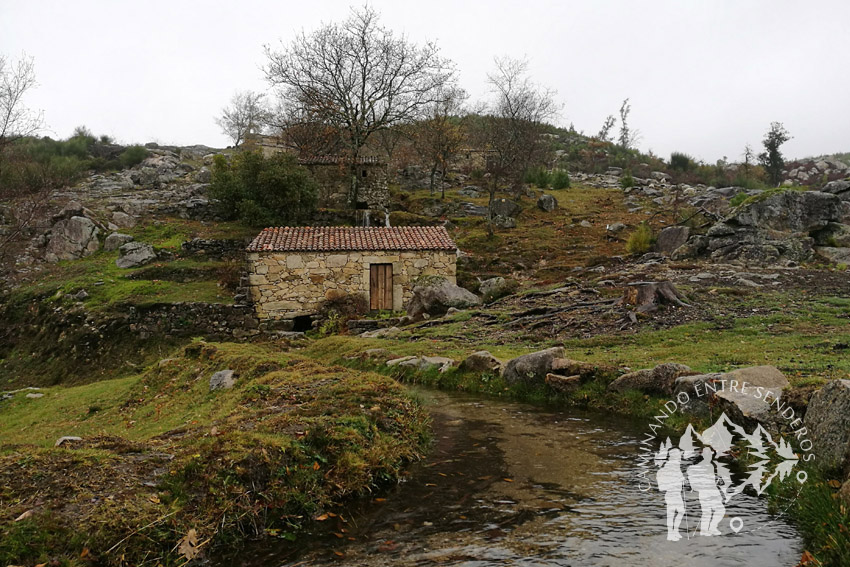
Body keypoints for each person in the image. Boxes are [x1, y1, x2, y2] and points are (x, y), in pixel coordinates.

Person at [687, 447, 726, 536]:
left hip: (713, 490)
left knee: (718, 510)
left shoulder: (711, 465)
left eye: (710, 454)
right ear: (703, 455)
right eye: (707, 454)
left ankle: (710, 528)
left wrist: (718, 480)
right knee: (708, 512)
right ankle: (706, 531)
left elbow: (716, 479)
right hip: (705, 491)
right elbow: (695, 484)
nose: (709, 456)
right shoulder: (698, 467)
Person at [656, 447, 686, 541]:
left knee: (681, 511)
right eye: (678, 455)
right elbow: (668, 481)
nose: (680, 456)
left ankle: (675, 531)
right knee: (671, 513)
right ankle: (670, 533)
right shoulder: (670, 466)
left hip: (677, 493)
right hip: (671, 493)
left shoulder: (676, 466)